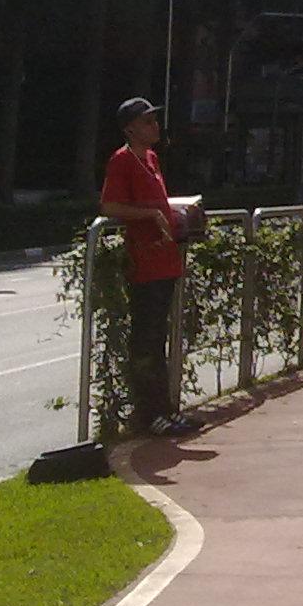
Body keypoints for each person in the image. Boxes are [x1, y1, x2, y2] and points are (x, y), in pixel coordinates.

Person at [99, 98, 191, 437]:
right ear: (130, 129)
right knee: (146, 341)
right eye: (147, 121)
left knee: (159, 339)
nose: (155, 126)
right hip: (145, 262)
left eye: (154, 120)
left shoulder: (151, 159)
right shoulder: (122, 161)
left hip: (165, 260)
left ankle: (165, 410)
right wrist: (150, 215)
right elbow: (110, 205)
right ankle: (150, 413)